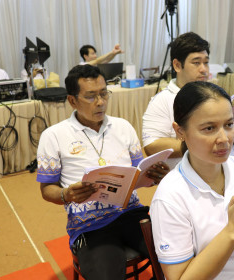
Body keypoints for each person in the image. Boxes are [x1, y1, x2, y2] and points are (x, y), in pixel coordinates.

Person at [36, 64, 169, 280]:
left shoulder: (123, 127)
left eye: (103, 94)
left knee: (175, 256)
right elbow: (46, 189)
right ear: (72, 100)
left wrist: (153, 175)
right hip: (89, 224)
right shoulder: (54, 136)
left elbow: (139, 171)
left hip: (131, 213)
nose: (100, 102)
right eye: (91, 96)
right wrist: (66, 195)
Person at [142, 31, 234, 227]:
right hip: (194, 183)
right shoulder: (162, 101)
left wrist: (226, 132)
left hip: (231, 173)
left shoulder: (213, 93)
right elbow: (151, 144)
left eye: (206, 62)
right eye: (196, 62)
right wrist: (197, 144)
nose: (203, 69)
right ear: (177, 65)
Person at [150, 81, 234, 279]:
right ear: (180, 131)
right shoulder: (170, 195)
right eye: (209, 128)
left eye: (228, 125)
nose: (224, 139)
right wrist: (233, 231)